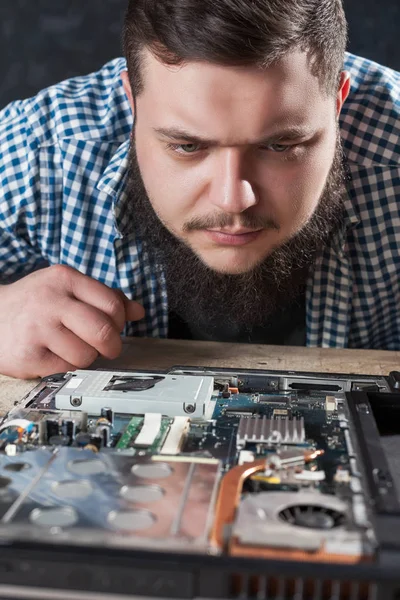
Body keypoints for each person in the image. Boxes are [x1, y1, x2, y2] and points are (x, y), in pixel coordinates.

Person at [0, 0, 399, 379]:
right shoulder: (43, 148)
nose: (234, 199)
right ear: (132, 103)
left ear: (337, 103)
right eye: (188, 146)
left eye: (280, 146)